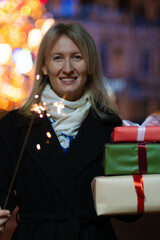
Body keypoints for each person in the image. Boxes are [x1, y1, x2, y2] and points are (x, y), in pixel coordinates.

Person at [0, 22, 137, 240]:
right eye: (57, 58)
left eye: (77, 57)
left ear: (90, 65)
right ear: (44, 66)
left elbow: (129, 212)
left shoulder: (110, 126)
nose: (67, 68)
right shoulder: (16, 126)